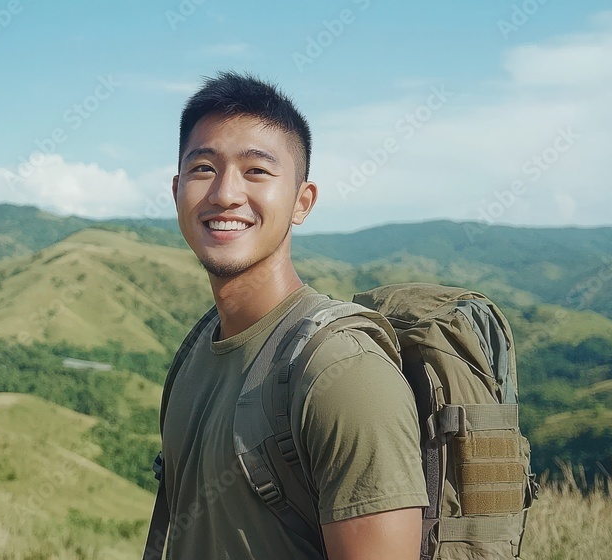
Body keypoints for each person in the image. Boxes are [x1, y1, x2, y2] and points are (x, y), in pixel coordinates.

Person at [159, 71, 429, 559]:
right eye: (203, 168)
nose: (224, 194)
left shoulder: (344, 374)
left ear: (302, 201)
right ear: (177, 189)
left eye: (257, 171)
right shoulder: (196, 353)